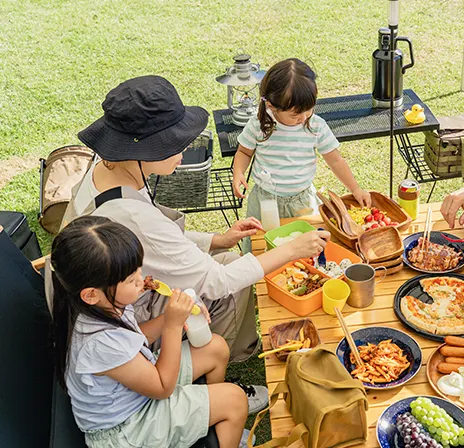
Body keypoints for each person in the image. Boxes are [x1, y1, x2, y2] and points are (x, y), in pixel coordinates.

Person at [60, 75, 330, 413]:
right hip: (119, 309)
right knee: (231, 276)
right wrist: (291, 250)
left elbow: (159, 237)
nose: (185, 149)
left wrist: (216, 239)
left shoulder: (110, 168)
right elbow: (214, 282)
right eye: (175, 143)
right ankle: (213, 361)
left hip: (105, 289)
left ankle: (224, 354)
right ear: (143, 149)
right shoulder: (129, 214)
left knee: (227, 257)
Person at [51, 215, 251, 448]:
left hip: (136, 394)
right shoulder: (98, 342)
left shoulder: (102, 305)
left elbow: (137, 340)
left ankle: (215, 423)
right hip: (127, 429)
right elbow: (162, 387)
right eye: (130, 279)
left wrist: (168, 316)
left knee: (214, 348)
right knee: (235, 400)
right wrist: (173, 326)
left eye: (138, 271)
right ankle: (224, 416)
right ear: (91, 293)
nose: (141, 280)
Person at [232, 58, 371, 253]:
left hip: (302, 201)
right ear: (272, 106)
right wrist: (238, 172)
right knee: (261, 247)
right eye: (295, 115)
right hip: (265, 201)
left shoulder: (315, 125)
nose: (304, 118)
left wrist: (355, 189)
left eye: (309, 110)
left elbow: (335, 160)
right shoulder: (259, 125)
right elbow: (244, 152)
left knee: (306, 249)